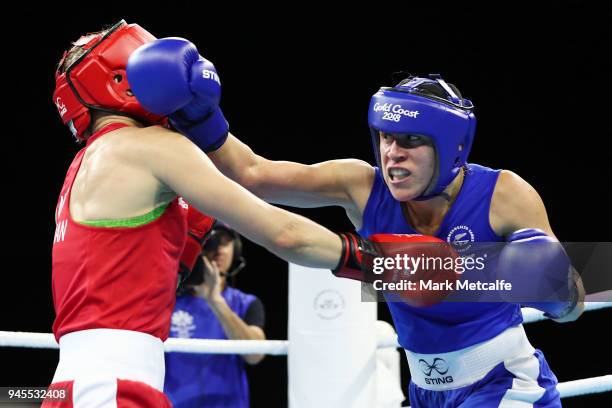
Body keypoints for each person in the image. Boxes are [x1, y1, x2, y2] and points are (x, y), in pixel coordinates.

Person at [127, 33, 585, 407]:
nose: (392, 154)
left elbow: (575, 305)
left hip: (503, 384)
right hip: (425, 392)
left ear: (452, 149)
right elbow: (253, 174)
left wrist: (552, 282)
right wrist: (200, 115)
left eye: (410, 140)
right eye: (385, 138)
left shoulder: (504, 194)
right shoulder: (361, 186)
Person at [45, 20, 384, 407]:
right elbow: (283, 232)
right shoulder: (153, 147)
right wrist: (382, 262)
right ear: (123, 79)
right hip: (113, 389)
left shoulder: (83, 167)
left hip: (74, 387)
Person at [165, 224, 265, 407]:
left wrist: (215, 300)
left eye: (225, 242)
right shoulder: (166, 302)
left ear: (235, 250)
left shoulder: (246, 303)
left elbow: (255, 355)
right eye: (212, 242)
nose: (218, 249)